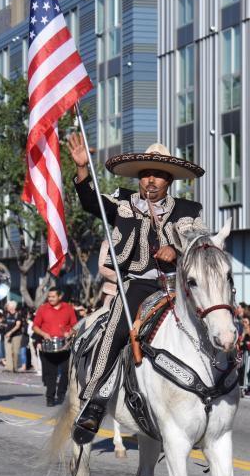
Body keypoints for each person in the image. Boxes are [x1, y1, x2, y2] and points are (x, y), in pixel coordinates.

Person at [66, 134, 206, 442]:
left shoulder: (188, 209)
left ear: (169, 180)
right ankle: (92, 404)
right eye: (146, 174)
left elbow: (197, 238)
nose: (151, 180)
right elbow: (91, 202)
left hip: (177, 287)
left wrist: (176, 248)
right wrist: (81, 171)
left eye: (158, 175)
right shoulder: (122, 202)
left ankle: (219, 387)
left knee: (215, 318)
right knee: (115, 330)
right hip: (140, 285)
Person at [32, 288, 78, 407]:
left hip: (65, 346)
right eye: (49, 297)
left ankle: (61, 393)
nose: (50, 299)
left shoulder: (68, 308)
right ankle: (50, 397)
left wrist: (70, 333)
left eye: (53, 296)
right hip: (48, 346)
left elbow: (76, 326)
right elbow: (35, 327)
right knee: (51, 374)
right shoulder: (43, 308)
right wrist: (44, 334)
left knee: (65, 372)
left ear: (59, 296)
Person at [2, 301, 24, 373]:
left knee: (16, 351)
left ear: (12, 307)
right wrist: (3, 325)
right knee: (8, 351)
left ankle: (16, 367)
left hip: (16, 335)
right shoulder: (7, 314)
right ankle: (9, 367)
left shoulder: (18, 315)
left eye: (8, 306)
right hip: (7, 335)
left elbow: (18, 326)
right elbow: (6, 323)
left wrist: (10, 332)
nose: (7, 307)